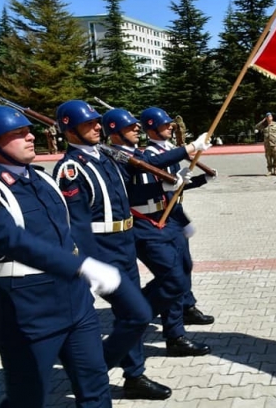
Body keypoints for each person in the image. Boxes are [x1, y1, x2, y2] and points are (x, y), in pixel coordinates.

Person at [0, 105, 120, 407]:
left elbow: (74, 231)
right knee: (27, 398)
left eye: (28, 131)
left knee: (96, 386)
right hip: (28, 312)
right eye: (17, 134)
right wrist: (81, 265)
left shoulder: (44, 180)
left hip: (77, 303)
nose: (30, 137)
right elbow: (13, 241)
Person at [53, 100, 171, 400]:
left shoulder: (106, 156)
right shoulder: (70, 168)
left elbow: (141, 169)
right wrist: (92, 262)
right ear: (70, 130)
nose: (97, 126)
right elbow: (75, 222)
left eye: (97, 122)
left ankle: (133, 375)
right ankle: (98, 370)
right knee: (135, 313)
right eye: (88, 123)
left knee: (130, 315)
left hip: (125, 241)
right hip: (102, 249)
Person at [101, 108, 213, 358]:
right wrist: (190, 148)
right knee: (172, 278)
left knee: (177, 274)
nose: (136, 129)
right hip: (143, 224)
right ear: (115, 134)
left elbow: (152, 175)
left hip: (163, 219)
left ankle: (174, 333)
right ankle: (137, 319)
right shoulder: (116, 156)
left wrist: (177, 183)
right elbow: (147, 168)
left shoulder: (136, 153)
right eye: (130, 127)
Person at [140, 107, 215, 326]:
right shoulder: (150, 156)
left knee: (185, 264)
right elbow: (163, 186)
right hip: (161, 217)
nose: (170, 127)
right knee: (173, 270)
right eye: (165, 124)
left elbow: (177, 187)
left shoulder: (169, 150)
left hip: (175, 213)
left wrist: (201, 180)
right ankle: (155, 307)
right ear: (152, 128)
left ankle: (186, 305)